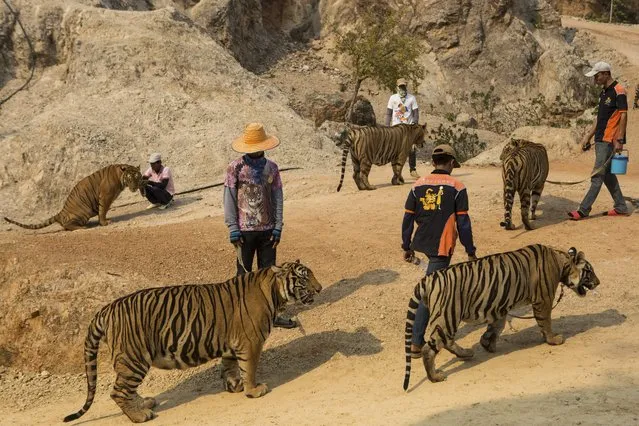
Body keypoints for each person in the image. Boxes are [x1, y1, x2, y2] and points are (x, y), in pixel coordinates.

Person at [401, 144, 477, 357]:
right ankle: (416, 342)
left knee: (432, 289)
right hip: (441, 247)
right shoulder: (457, 187)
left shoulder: (418, 185)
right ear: (452, 162)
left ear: (433, 163)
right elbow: (463, 224)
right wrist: (470, 251)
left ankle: (426, 335)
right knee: (430, 293)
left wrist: (406, 246)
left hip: (422, 242)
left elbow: (408, 218)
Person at [223, 122, 297, 329]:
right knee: (243, 276)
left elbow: (277, 197)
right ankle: (241, 316)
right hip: (244, 232)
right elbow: (228, 198)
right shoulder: (235, 168)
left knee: (269, 275)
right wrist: (232, 228)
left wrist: (278, 226)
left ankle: (271, 315)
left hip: (267, 231)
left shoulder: (271, 168)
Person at [568, 61, 630, 220]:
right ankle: (621, 207)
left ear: (606, 74)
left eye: (597, 75)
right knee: (608, 175)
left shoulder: (619, 91)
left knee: (597, 176)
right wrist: (587, 137)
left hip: (609, 140)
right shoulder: (604, 93)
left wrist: (620, 139)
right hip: (600, 139)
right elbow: (599, 118)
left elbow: (623, 114)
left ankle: (583, 210)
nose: (595, 79)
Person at [386, 78, 420, 179]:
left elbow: (416, 113)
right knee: (396, 150)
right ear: (397, 87)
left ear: (406, 86)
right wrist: (387, 126)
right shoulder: (393, 98)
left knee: (412, 148)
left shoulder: (412, 98)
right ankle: (397, 173)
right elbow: (389, 113)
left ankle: (412, 169)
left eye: (404, 86)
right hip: (396, 128)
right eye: (400, 86)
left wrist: (414, 124)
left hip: (408, 127)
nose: (402, 88)